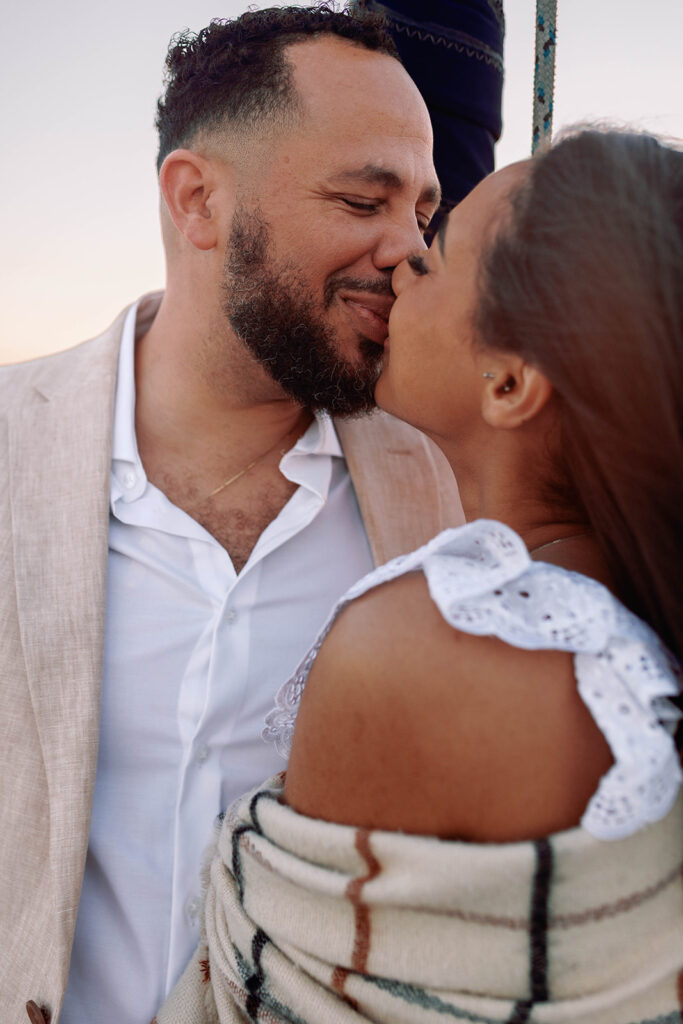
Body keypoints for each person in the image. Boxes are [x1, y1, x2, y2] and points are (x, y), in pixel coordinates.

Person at [1, 7, 472, 1023]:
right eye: (362, 198)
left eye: (422, 213)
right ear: (196, 199)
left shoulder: (448, 499)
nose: (410, 251)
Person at [156, 128, 683, 1023]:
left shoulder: (437, 641)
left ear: (509, 384)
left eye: (435, 260)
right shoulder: (631, 624)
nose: (401, 265)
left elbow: (276, 989)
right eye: (369, 208)